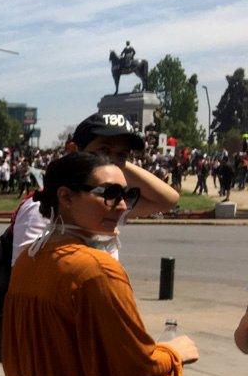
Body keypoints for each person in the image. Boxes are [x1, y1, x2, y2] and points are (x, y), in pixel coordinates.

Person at [3, 152, 198, 376]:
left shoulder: (30, 259)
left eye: (126, 195)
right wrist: (175, 354)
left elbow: (16, 362)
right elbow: (135, 375)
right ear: (66, 197)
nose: (121, 206)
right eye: (108, 194)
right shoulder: (97, 270)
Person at [11, 112, 179, 265]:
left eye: (122, 154)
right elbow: (24, 276)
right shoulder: (42, 208)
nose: (121, 206)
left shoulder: (109, 202)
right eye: (103, 150)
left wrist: (114, 163)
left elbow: (167, 200)